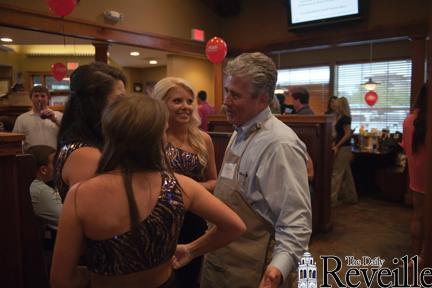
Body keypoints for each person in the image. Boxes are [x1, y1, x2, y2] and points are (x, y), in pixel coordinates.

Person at [50, 95, 246, 288]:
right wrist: (191, 250)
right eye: (165, 130)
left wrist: (91, 275)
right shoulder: (180, 185)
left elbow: (61, 280)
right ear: (157, 137)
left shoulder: (80, 195)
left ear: (109, 135)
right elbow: (235, 226)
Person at [200, 52, 312, 288]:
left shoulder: (279, 145)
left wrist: (276, 271)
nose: (225, 102)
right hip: (222, 265)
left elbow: (296, 223)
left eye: (235, 95)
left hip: (254, 272)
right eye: (227, 91)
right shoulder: (240, 129)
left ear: (262, 100)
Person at [152, 77, 217, 288]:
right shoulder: (153, 138)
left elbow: (214, 180)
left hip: (195, 219)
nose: (186, 107)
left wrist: (189, 192)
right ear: (161, 104)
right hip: (161, 218)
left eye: (190, 101)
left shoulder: (203, 139)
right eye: (177, 101)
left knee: (190, 277)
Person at [54, 62, 127, 201]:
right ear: (94, 104)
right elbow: (97, 215)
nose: (125, 107)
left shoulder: (97, 144)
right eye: (119, 100)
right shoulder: (84, 155)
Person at [401, 83, 427, 265]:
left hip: (416, 178)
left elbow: (404, 146)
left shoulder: (408, 120)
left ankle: (415, 257)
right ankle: (424, 258)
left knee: (418, 217)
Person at [13, 85, 62, 151]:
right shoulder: (21, 119)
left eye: (43, 96)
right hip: (31, 158)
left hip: (54, 157)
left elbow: (68, 134)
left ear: (48, 98)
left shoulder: (59, 116)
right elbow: (16, 140)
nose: (39, 99)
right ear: (31, 98)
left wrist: (54, 120)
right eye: (36, 96)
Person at [27, 145, 62, 230]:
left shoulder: (34, 184)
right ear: (43, 170)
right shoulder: (41, 190)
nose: (60, 166)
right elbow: (68, 219)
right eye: (56, 163)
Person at [331, 96, 357, 206]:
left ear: (341, 106)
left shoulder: (345, 118)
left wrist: (337, 146)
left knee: (336, 173)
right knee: (346, 173)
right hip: (342, 147)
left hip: (344, 147)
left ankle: (331, 199)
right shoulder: (340, 117)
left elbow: (347, 134)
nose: (335, 106)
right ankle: (351, 197)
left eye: (337, 105)